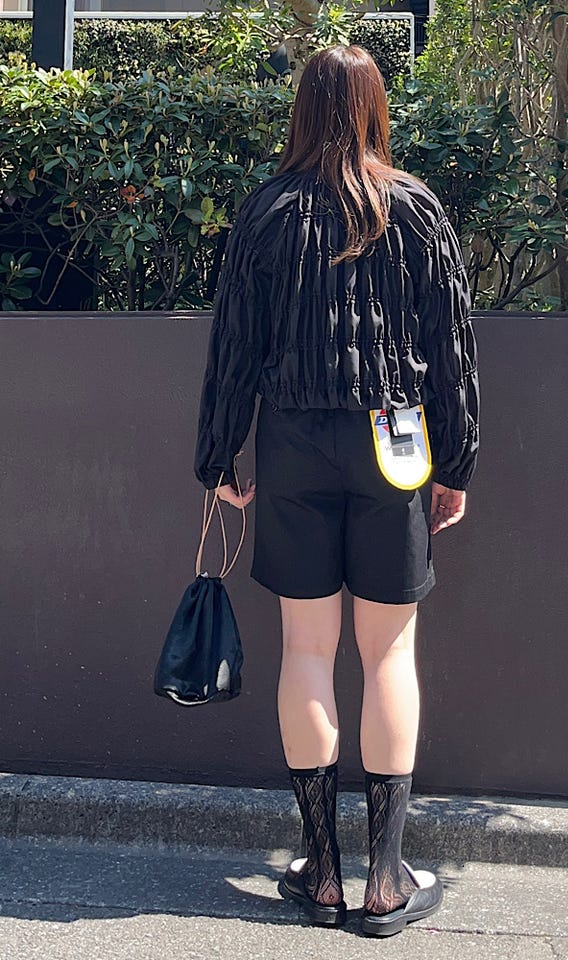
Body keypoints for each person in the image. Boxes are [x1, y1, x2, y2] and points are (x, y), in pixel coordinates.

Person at [194, 44, 480, 938]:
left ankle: (321, 872)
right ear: (374, 107)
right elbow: (453, 344)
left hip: (293, 442)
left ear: (303, 111)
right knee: (389, 654)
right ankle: (385, 880)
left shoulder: (266, 211)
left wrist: (219, 455)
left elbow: (234, 344)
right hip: (394, 443)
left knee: (306, 651)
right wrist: (457, 462)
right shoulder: (417, 207)